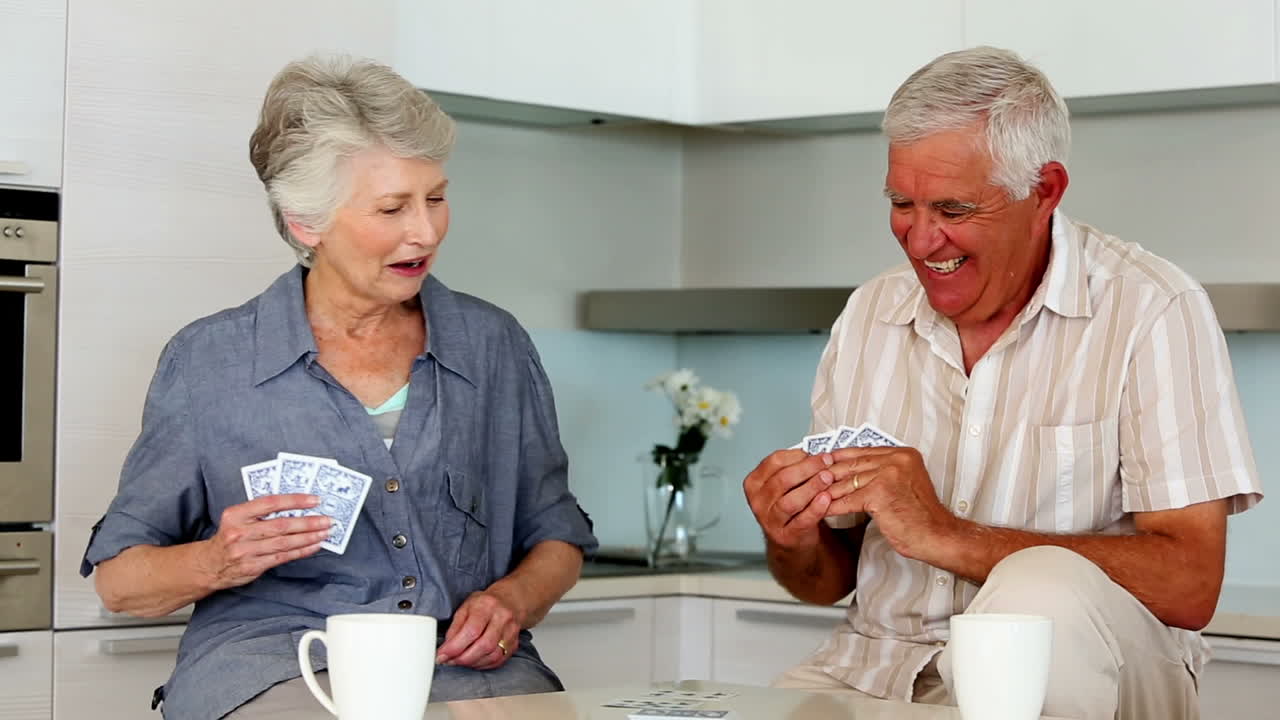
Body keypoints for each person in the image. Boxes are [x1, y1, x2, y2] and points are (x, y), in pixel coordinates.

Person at [743, 46, 1263, 720]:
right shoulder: (870, 314)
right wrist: (793, 537)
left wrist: (944, 534)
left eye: (954, 210)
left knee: (1038, 588)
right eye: (902, 202)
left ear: (1043, 191)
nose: (922, 240)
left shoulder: (1152, 308)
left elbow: (1192, 584)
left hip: (1102, 681)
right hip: (877, 673)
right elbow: (825, 584)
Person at [80, 55, 597, 719]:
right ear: (307, 223)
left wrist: (514, 602)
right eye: (392, 207)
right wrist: (218, 559)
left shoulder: (492, 344)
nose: (426, 230)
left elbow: (555, 534)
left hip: (468, 672)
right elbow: (120, 583)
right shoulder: (209, 361)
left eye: (435, 197)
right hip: (275, 669)